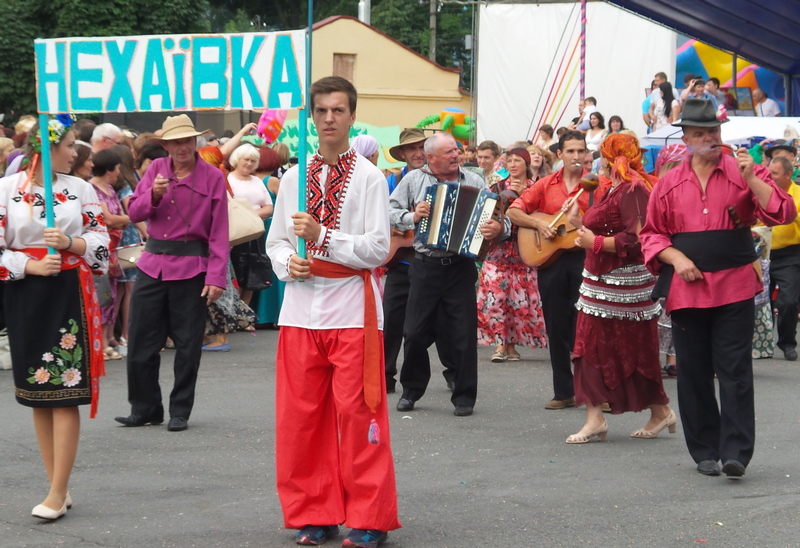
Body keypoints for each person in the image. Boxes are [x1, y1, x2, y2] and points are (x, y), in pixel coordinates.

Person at [266, 76, 400, 548]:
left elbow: (378, 248)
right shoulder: (291, 178)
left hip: (351, 312)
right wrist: (289, 262)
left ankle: (370, 517)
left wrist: (323, 237)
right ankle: (314, 513)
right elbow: (276, 242)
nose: (328, 119)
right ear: (311, 116)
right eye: (321, 110)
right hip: (300, 313)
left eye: (338, 110)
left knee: (361, 416)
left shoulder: (369, 178)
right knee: (301, 420)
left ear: (352, 116)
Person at [640, 99, 796, 477]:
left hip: (735, 283)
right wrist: (677, 259)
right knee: (693, 371)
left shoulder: (745, 170)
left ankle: (736, 452)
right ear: (687, 139)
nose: (709, 138)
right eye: (700, 133)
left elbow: (783, 212)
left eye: (713, 131)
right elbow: (652, 235)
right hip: (687, 288)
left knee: (735, 369)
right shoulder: (669, 182)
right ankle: (705, 451)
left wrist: (753, 178)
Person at [0, 116, 109, 519]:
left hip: (68, 293)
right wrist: (28, 266)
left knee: (65, 393)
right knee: (38, 394)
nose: (76, 152)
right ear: (45, 148)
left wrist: (70, 242)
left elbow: (101, 243)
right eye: (70, 144)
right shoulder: (6, 190)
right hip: (25, 294)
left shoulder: (81, 189)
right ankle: (55, 485)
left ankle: (57, 491)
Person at [115, 114, 228, 433]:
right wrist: (152, 194)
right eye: (176, 142)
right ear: (165, 145)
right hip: (152, 264)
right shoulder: (155, 169)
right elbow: (134, 212)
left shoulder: (212, 176)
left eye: (187, 141)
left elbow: (220, 231)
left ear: (195, 142)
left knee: (188, 344)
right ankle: (145, 409)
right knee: (140, 341)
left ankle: (180, 410)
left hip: (193, 267)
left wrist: (216, 277)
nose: (182, 147)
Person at [563, 133, 674, 444]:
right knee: (588, 347)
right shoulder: (610, 187)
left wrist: (595, 242)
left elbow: (638, 239)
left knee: (633, 350)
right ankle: (595, 418)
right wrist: (577, 222)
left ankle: (661, 411)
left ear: (611, 158)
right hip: (596, 282)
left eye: (602, 155)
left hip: (626, 286)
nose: (598, 161)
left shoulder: (634, 189)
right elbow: (598, 230)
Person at [390, 132, 507, 417]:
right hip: (425, 266)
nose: (456, 155)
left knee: (463, 334)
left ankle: (464, 396)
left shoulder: (474, 181)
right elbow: (389, 210)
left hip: (459, 266)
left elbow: (499, 220)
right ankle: (411, 390)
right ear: (431, 158)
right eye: (449, 152)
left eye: (456, 150)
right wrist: (412, 217)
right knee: (414, 332)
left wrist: (498, 228)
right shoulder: (414, 180)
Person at [506, 130, 592, 410]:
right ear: (559, 154)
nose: (576, 156)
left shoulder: (596, 185)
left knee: (587, 325)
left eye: (580, 151)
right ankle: (563, 392)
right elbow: (514, 211)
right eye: (571, 151)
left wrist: (583, 223)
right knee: (556, 325)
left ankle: (592, 392)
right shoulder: (546, 184)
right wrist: (540, 224)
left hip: (585, 258)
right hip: (552, 260)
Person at [477, 148, 547, 362]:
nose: (514, 164)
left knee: (518, 302)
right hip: (498, 252)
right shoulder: (497, 187)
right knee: (496, 299)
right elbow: (487, 213)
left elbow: (543, 215)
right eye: (510, 161)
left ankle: (511, 346)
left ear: (527, 164)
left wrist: (524, 196)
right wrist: (505, 197)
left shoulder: (537, 188)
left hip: (525, 250)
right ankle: (499, 345)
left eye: (518, 160)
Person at [89, 149, 129, 360]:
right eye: (117, 168)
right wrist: (120, 220)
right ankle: (100, 342)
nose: (119, 172)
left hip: (114, 248)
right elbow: (109, 219)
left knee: (111, 294)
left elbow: (120, 217)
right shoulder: (92, 189)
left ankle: (107, 338)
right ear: (109, 169)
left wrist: (119, 220)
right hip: (100, 249)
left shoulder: (110, 189)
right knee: (101, 294)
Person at [227, 143, 273, 306]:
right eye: (246, 159)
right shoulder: (228, 180)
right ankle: (234, 312)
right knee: (236, 275)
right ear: (237, 159)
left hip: (256, 233)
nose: (249, 163)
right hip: (235, 234)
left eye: (253, 161)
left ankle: (245, 312)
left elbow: (269, 207)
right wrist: (250, 215)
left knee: (252, 275)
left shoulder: (257, 181)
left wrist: (248, 215)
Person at [767, 156, 800, 361]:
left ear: (788, 174)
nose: (769, 177)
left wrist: (791, 211)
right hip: (760, 253)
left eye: (774, 173)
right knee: (757, 303)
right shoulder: (763, 190)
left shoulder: (798, 195)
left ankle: (787, 342)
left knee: (788, 301)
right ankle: (759, 342)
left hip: (789, 255)